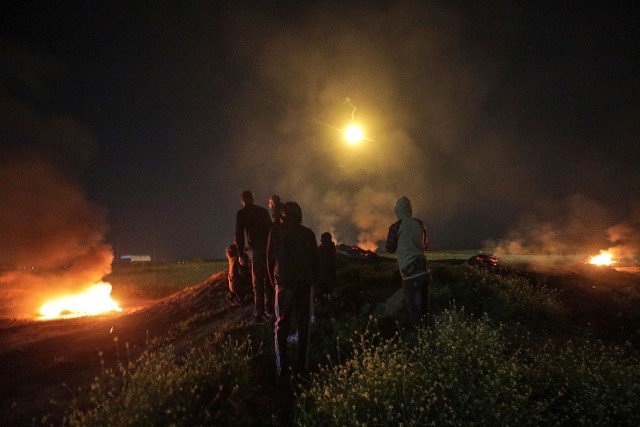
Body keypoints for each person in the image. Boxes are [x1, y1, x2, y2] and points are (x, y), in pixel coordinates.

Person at [267, 201, 319, 377]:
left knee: (281, 327)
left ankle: (281, 371)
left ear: (283, 215)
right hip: (303, 284)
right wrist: (314, 282)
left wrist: (274, 281)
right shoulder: (307, 233)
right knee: (303, 326)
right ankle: (302, 368)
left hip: (283, 283)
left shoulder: (276, 232)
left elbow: (269, 259)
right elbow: (315, 261)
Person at [385, 196, 431, 326]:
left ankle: (419, 340)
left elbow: (389, 249)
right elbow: (425, 245)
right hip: (425, 271)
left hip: (410, 275)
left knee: (415, 313)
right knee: (425, 311)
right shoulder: (420, 223)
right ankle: (429, 339)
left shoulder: (395, 227)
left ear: (397, 210)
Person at [235, 190, 274, 322]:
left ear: (242, 201)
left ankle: (259, 312)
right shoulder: (263, 211)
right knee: (269, 280)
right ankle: (270, 310)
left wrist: (240, 254)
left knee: (257, 281)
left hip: (257, 251)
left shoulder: (241, 213)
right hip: (268, 250)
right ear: (253, 198)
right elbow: (271, 230)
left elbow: (239, 234)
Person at [317, 232, 337, 296]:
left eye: (322, 239)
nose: (321, 241)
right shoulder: (330, 250)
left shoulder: (324, 251)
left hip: (326, 279)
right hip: (326, 279)